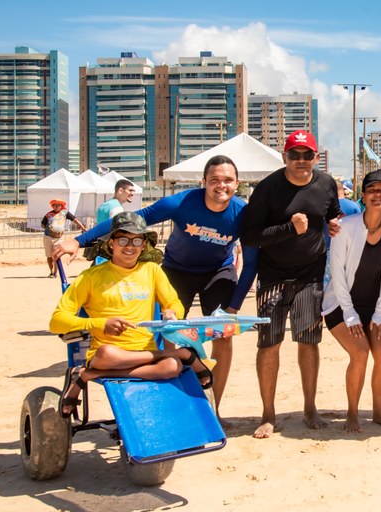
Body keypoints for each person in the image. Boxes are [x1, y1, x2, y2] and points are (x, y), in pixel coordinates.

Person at [51, 155, 258, 426]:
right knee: (169, 332)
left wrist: (234, 307)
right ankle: (173, 398)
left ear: (237, 183)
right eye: (215, 180)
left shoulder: (242, 213)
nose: (222, 185)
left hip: (218, 273)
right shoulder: (181, 202)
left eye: (228, 180)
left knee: (224, 336)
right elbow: (133, 219)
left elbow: (252, 261)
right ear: (204, 182)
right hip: (177, 270)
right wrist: (79, 241)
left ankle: (214, 409)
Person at [50, 212, 215, 417]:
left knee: (172, 367)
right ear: (111, 243)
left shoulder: (152, 271)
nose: (130, 246)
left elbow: (174, 303)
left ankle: (89, 375)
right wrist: (100, 324)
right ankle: (181, 353)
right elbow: (56, 322)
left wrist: (172, 312)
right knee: (106, 353)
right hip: (111, 355)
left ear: (144, 244)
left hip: (144, 354)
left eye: (136, 240)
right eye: (123, 240)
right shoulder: (90, 277)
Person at [240, 129, 342, 439]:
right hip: (272, 278)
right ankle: (268, 413)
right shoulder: (268, 189)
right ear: (285, 156)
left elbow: (333, 212)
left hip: (310, 277)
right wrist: (289, 228)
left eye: (307, 154)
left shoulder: (325, 184)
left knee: (309, 343)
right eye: (294, 155)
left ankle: (310, 408)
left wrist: (334, 222)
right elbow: (250, 236)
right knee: (269, 344)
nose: (301, 161)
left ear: (315, 156)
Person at [322, 170, 381, 433]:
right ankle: (353, 413)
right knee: (359, 354)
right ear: (363, 195)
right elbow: (336, 274)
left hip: (375, 306)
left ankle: (379, 412)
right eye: (372, 190)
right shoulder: (346, 226)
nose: (378, 194)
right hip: (340, 305)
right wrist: (349, 313)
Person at [41, 199, 86, 278]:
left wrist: (82, 227)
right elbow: (42, 224)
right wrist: (51, 228)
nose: (56, 206)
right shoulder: (49, 214)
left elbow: (74, 220)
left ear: (61, 206)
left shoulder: (65, 212)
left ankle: (54, 272)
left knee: (56, 255)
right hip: (48, 237)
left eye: (58, 205)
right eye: (54, 205)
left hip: (58, 238)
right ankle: (51, 271)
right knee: (49, 256)